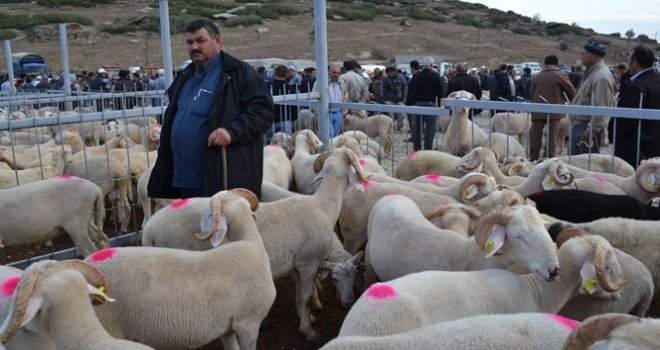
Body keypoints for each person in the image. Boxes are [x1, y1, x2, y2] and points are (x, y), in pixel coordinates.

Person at [148, 19, 273, 200]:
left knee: (222, 227)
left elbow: (263, 111)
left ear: (217, 41)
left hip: (221, 177)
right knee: (195, 226)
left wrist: (231, 131)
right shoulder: (185, 77)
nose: (194, 47)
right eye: (190, 42)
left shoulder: (239, 74)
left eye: (201, 40)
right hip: (185, 179)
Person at [614, 45, 660, 168]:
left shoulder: (637, 87)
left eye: (629, 60)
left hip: (636, 150)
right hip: (654, 148)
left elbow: (625, 120)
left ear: (635, 63)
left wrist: (613, 134)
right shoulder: (656, 80)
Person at [569, 41, 615, 155]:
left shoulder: (601, 77)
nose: (581, 56)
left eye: (584, 54)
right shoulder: (592, 72)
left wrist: (591, 130)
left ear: (593, 56)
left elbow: (601, 107)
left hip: (586, 127)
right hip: (580, 125)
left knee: (586, 167)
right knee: (575, 164)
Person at [529, 55, 576, 160]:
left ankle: (533, 157)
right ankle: (549, 158)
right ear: (556, 64)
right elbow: (571, 91)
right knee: (552, 137)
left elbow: (531, 93)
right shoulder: (560, 75)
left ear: (545, 64)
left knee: (535, 135)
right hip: (554, 110)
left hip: (537, 109)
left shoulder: (537, 76)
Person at [405, 56, 444, 151]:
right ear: (431, 65)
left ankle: (417, 148)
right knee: (430, 128)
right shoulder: (435, 76)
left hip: (417, 104)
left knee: (417, 128)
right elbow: (440, 91)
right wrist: (439, 103)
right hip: (430, 104)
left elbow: (411, 90)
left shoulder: (417, 76)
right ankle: (428, 148)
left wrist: (410, 103)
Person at [312, 64, 347, 137]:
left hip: (338, 113)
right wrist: (318, 112)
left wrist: (343, 112)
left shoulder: (342, 84)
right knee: (329, 135)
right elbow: (314, 97)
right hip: (325, 114)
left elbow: (345, 97)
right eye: (334, 72)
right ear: (329, 72)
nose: (336, 75)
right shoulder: (320, 83)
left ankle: (333, 148)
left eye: (338, 73)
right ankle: (327, 148)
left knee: (336, 136)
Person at [266, 64, 297, 140]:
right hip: (285, 119)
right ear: (287, 74)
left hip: (270, 120)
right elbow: (294, 106)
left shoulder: (267, 86)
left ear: (275, 73)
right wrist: (293, 118)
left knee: (270, 143)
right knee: (286, 144)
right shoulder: (289, 88)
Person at [382, 65, 408, 131]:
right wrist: (386, 98)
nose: (391, 74)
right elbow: (384, 89)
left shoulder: (401, 77)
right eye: (389, 73)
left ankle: (400, 127)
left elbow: (405, 87)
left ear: (395, 72)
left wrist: (405, 96)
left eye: (392, 73)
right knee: (390, 115)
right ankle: (391, 128)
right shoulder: (386, 79)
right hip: (390, 100)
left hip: (400, 99)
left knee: (401, 114)